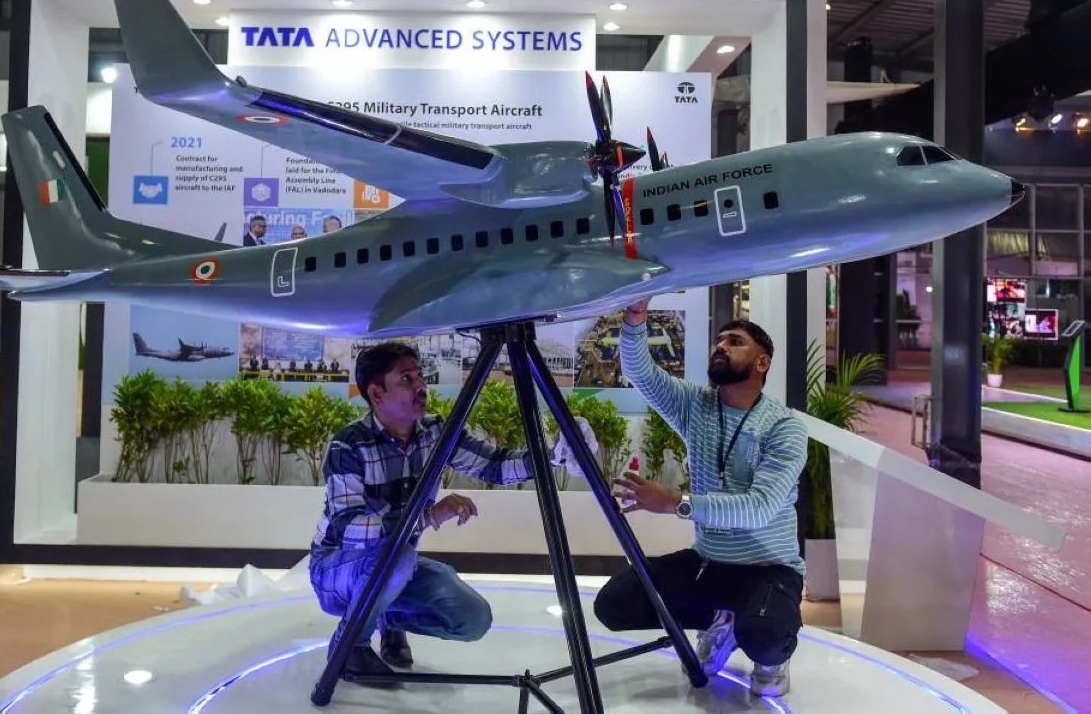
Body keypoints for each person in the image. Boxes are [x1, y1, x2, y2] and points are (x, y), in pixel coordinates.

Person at [309, 340, 596, 688]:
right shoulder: (348, 445)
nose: (420, 386)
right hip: (337, 567)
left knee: (472, 618)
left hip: (398, 565)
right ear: (376, 393)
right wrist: (427, 516)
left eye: (419, 375)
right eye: (405, 379)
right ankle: (350, 645)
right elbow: (348, 528)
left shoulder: (435, 433)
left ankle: (387, 618)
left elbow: (494, 465)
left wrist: (554, 455)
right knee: (396, 560)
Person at [592, 299, 807, 698]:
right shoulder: (697, 405)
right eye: (719, 341)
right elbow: (640, 372)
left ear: (762, 363)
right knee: (614, 605)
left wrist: (676, 503)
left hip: (769, 568)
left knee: (764, 634)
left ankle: (771, 658)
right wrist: (636, 318)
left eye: (735, 342)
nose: (720, 346)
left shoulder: (784, 429)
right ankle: (719, 618)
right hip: (709, 562)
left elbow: (759, 509)